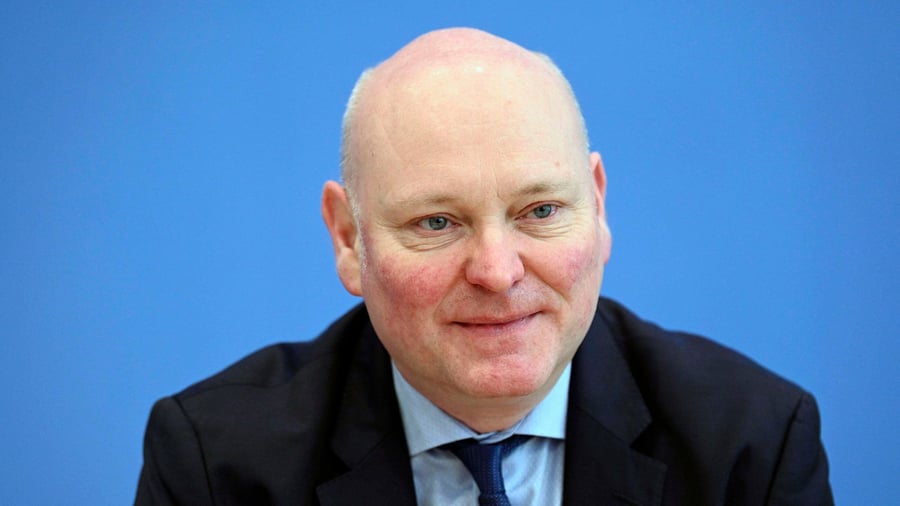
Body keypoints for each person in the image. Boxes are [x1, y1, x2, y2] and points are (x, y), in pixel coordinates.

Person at [135, 27, 833, 505]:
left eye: (540, 211)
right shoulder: (217, 464)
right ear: (349, 239)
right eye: (437, 222)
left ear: (597, 206)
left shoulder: (751, 445)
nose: (498, 273)